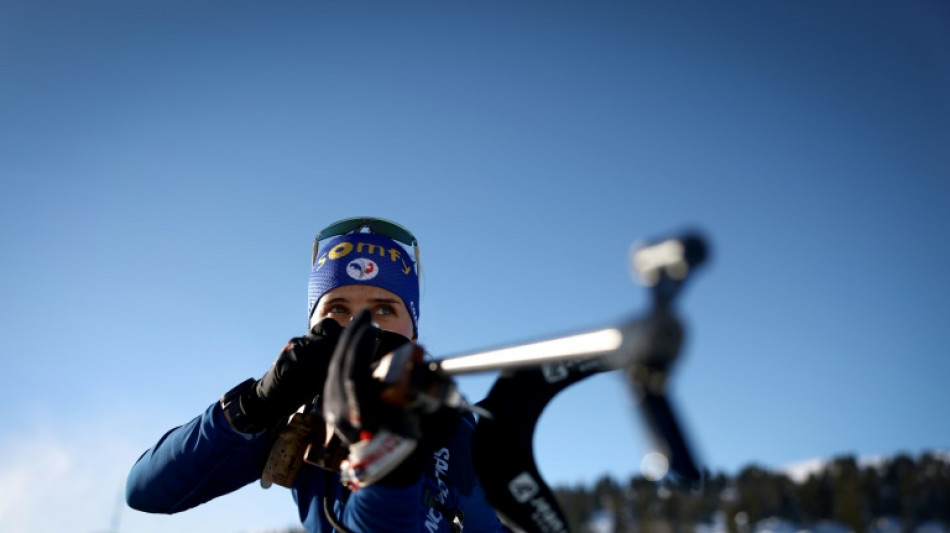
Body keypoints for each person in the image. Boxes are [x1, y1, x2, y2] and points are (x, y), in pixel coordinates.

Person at [126, 217, 508, 533]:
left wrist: (391, 447)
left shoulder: (453, 428)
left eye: (384, 309)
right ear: (313, 326)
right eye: (338, 308)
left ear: (413, 330)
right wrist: (255, 405)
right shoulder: (300, 415)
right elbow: (148, 492)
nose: (360, 326)